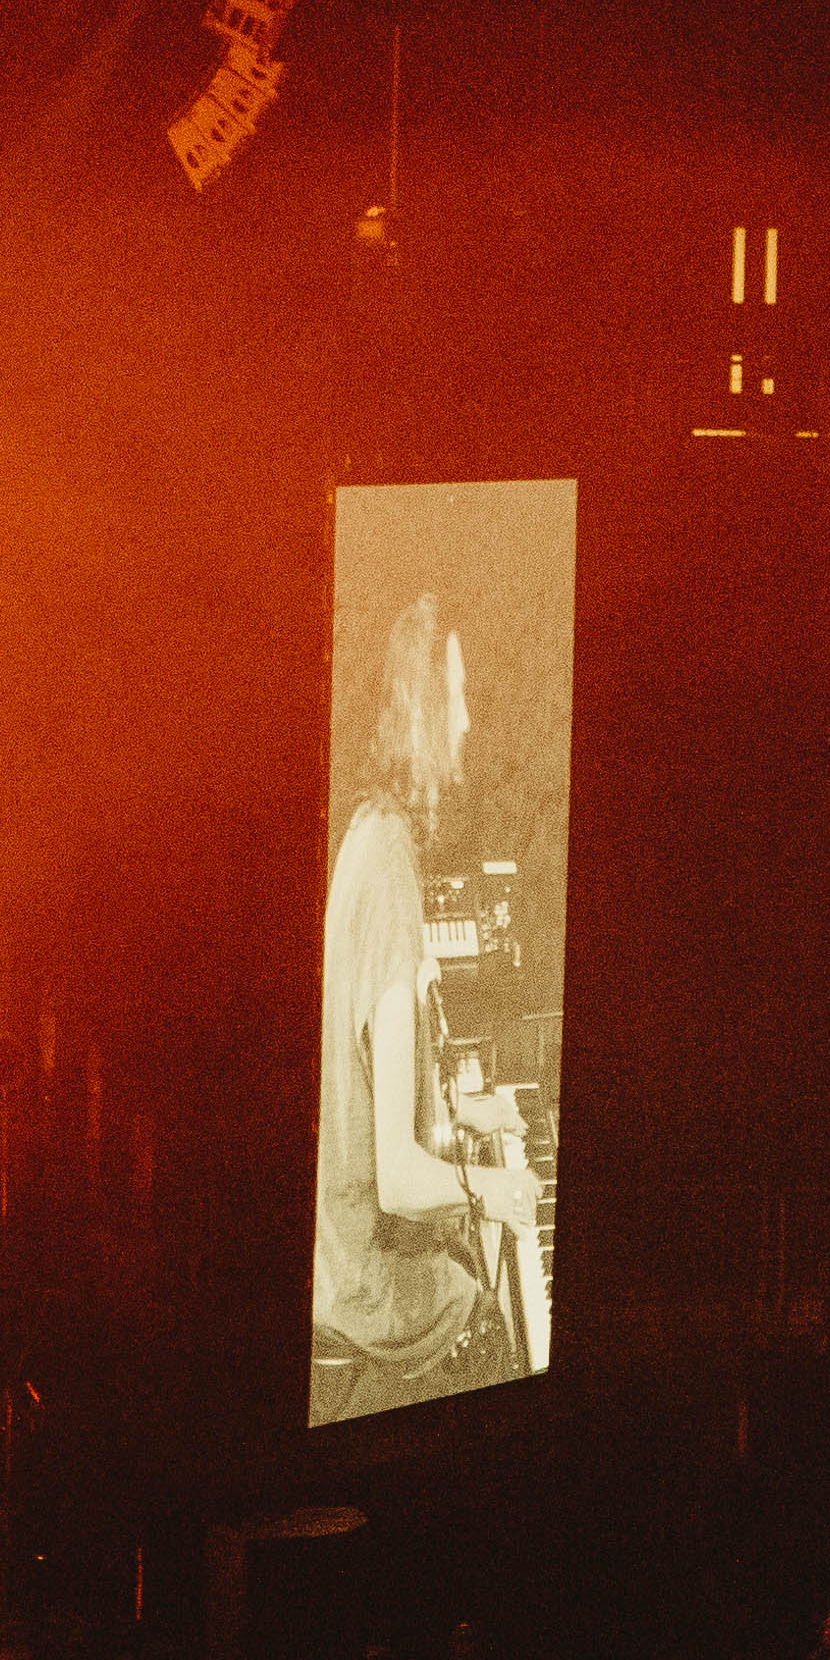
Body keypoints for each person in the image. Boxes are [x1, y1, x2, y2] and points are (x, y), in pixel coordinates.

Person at [315, 593, 526, 1422]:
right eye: (460, 697)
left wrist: (471, 1108)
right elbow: (401, 1181)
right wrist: (495, 1189)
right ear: (428, 713)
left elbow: (377, 1088)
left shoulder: (366, 835)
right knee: (498, 1332)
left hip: (339, 1249)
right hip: (360, 1279)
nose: (470, 720)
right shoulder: (392, 872)